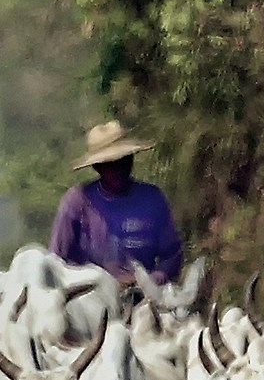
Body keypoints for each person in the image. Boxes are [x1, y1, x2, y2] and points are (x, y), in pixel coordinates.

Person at [50, 120, 185, 285]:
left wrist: (152, 280)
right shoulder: (77, 202)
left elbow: (172, 254)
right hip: (89, 298)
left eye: (124, 160)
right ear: (97, 167)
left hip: (144, 295)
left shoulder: (152, 198)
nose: (120, 168)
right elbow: (56, 262)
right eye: (110, 164)